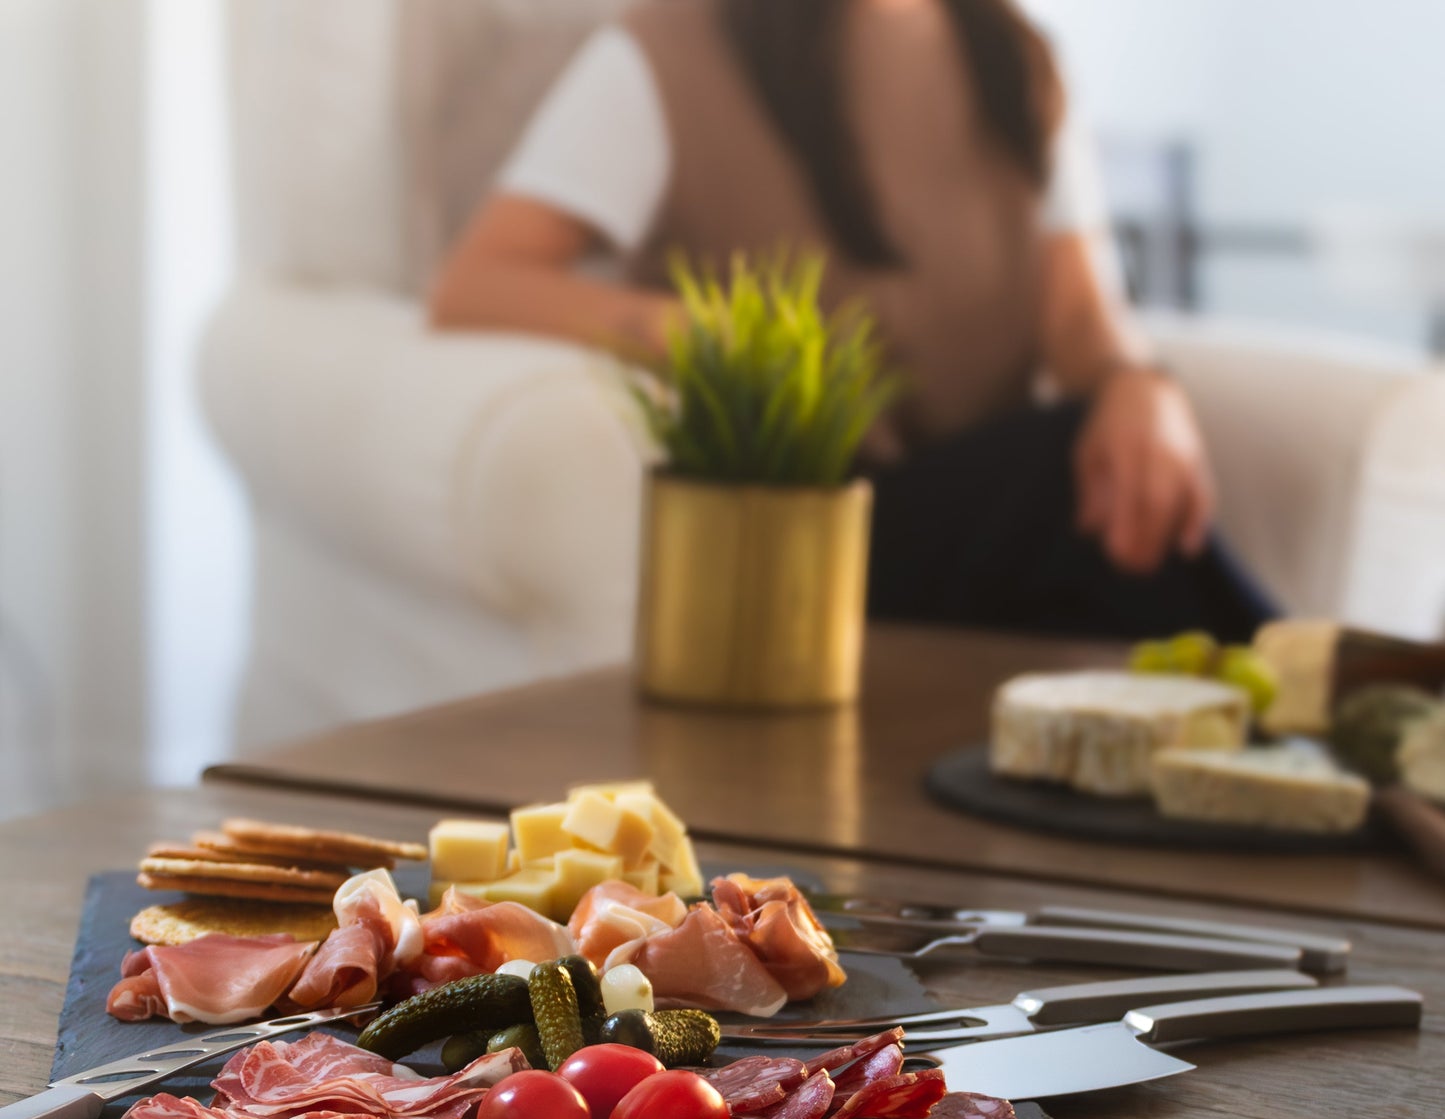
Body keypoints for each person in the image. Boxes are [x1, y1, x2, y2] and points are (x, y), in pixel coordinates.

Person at [430, 0, 1276, 641]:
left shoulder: (1014, 62)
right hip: (794, 537)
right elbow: (477, 284)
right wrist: (699, 332)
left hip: (993, 524)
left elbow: (1081, 314)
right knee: (1062, 475)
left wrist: (1140, 387)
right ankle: (1320, 709)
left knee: (1097, 482)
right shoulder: (669, 48)